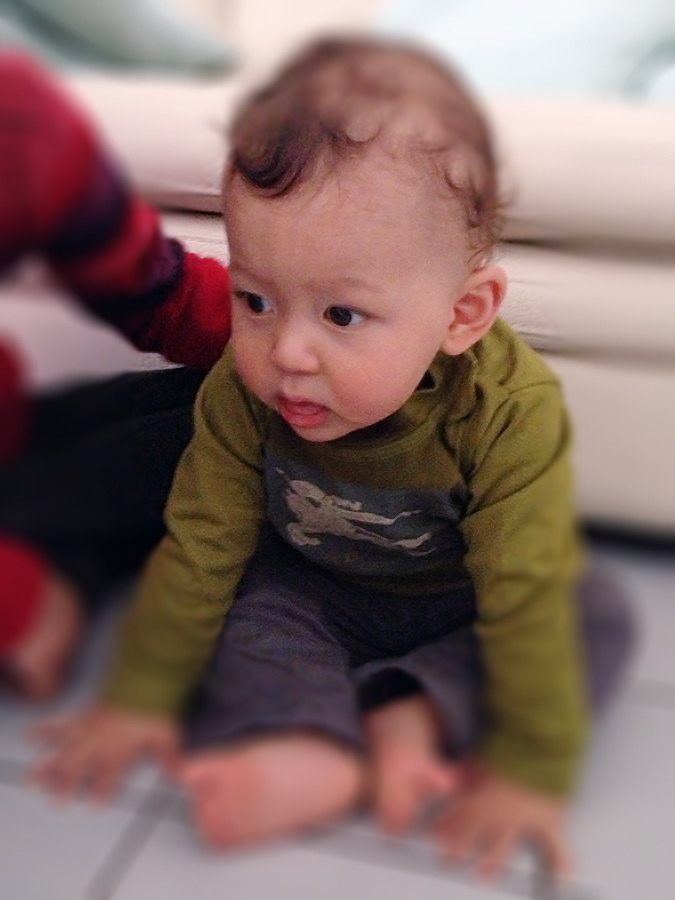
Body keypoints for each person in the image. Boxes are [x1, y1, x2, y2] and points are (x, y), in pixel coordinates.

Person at [34, 38, 635, 880]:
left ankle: (413, 712)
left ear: (463, 315)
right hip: (311, 584)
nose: (286, 354)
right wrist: (139, 698)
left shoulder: (507, 410)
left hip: (460, 595)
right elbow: (201, 545)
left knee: (591, 613)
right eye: (255, 299)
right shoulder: (241, 390)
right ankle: (311, 748)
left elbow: (521, 592)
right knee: (249, 614)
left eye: (341, 317)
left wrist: (531, 770)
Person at [0, 52, 231, 698]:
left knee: (240, 413)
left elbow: (154, 289)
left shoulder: (22, 120)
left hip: (14, 432)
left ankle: (65, 557)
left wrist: (298, 335)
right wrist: (19, 601)